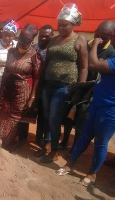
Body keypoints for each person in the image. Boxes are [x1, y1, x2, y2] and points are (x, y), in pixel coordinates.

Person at [56, 37, 115, 187]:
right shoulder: (113, 56)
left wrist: (94, 44)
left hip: (109, 110)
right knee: (84, 135)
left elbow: (93, 64)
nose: (111, 39)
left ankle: (92, 173)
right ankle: (70, 164)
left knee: (100, 142)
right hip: (96, 103)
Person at [35, 3, 88, 163]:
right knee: (46, 117)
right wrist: (40, 84)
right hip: (48, 84)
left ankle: (54, 151)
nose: (61, 28)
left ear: (73, 24)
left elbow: (84, 66)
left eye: (65, 25)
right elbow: (46, 63)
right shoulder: (53, 40)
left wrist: (79, 88)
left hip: (65, 86)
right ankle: (48, 146)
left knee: (54, 119)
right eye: (59, 25)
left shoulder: (79, 40)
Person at [59, 20, 115, 150]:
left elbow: (99, 76)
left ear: (111, 36)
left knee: (81, 121)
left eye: (104, 36)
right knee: (68, 116)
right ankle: (65, 140)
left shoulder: (111, 52)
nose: (99, 38)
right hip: (77, 86)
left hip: (92, 92)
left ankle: (75, 148)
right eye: (97, 33)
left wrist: (83, 84)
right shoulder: (85, 44)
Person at [0, 24, 41, 151]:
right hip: (9, 90)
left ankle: (15, 144)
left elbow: (37, 77)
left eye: (26, 42)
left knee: (18, 120)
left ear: (31, 42)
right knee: (5, 117)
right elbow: (5, 71)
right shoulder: (11, 51)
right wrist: (1, 89)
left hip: (23, 92)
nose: (22, 44)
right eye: (21, 40)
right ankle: (3, 142)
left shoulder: (34, 56)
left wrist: (32, 97)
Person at [0, 19, 18, 132]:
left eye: (10, 36)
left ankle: (3, 128)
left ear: (14, 36)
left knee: (7, 105)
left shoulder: (16, 46)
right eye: (5, 35)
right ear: (2, 34)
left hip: (10, 81)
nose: (7, 38)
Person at [33, 25, 54, 147]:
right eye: (41, 36)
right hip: (33, 85)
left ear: (52, 36)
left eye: (47, 36)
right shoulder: (33, 48)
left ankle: (41, 138)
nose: (44, 38)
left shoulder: (54, 50)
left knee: (44, 114)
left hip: (47, 86)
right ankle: (23, 137)